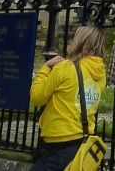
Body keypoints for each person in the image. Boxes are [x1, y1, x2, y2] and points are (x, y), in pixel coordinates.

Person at [30, 25, 107, 171]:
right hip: (82, 144)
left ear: (80, 42)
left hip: (58, 144)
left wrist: (45, 68)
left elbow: (36, 98)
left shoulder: (65, 67)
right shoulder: (101, 74)